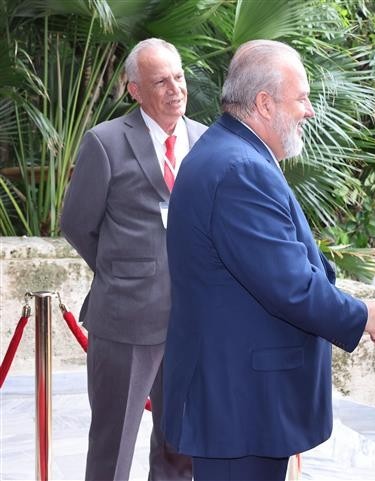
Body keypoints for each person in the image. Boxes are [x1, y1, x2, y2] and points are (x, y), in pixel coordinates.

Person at [161, 39, 375, 481]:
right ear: (265, 103)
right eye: (303, 98)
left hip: (237, 403)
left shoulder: (229, 154)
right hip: (240, 408)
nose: (310, 111)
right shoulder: (239, 170)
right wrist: (366, 315)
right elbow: (290, 285)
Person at [60, 38, 207, 480]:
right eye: (160, 81)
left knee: (180, 447)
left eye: (178, 77)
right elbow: (77, 223)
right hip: (125, 321)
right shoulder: (105, 142)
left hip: (193, 322)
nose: (174, 89)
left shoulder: (204, 139)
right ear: (135, 90)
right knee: (113, 446)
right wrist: (125, 274)